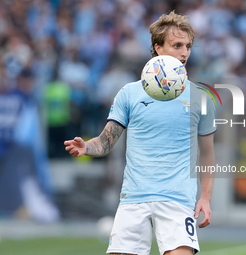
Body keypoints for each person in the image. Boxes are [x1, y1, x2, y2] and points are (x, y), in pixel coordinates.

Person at [64, 11, 216, 255]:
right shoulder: (129, 93)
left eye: (188, 46)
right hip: (134, 199)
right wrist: (86, 147)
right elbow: (106, 141)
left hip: (177, 201)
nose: (184, 52)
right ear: (158, 48)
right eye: (177, 45)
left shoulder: (200, 97)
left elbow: (207, 153)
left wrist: (205, 198)